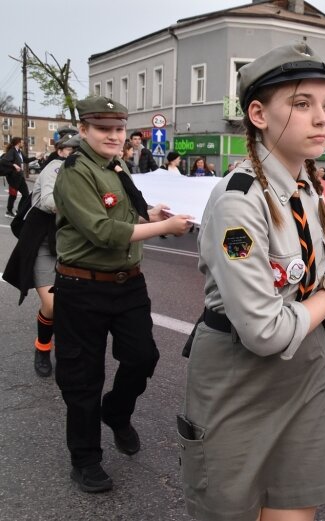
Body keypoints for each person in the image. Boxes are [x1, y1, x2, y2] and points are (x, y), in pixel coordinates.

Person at [180, 43, 325, 521]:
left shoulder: (307, 188)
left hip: (305, 372)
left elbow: (298, 281)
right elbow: (263, 332)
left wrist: (324, 291)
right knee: (229, 511)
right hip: (240, 379)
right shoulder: (239, 204)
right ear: (258, 114)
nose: (321, 119)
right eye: (302, 105)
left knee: (295, 506)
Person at [52, 95, 193, 493]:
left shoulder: (115, 166)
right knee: (83, 379)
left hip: (127, 283)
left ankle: (116, 411)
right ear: (83, 130)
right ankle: (85, 460)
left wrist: (152, 216)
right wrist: (165, 229)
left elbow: (125, 216)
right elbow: (104, 231)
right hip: (82, 287)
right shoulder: (76, 171)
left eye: (118, 129)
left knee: (142, 356)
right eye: (103, 129)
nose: (114, 136)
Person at [2, 133, 80, 377]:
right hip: (45, 245)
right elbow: (48, 201)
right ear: (61, 150)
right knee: (53, 304)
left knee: (75, 305)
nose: (76, 153)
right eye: (72, 149)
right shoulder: (55, 168)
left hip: (75, 247)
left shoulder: (93, 169)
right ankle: (43, 347)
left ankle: (69, 350)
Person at [2, 137, 39, 217]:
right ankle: (9, 211)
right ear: (18, 143)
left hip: (20, 176)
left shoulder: (19, 152)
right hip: (13, 177)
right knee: (13, 195)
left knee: (26, 194)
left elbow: (26, 160)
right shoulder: (12, 151)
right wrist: (14, 165)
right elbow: (3, 161)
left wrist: (36, 157)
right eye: (22, 142)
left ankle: (19, 210)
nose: (23, 143)